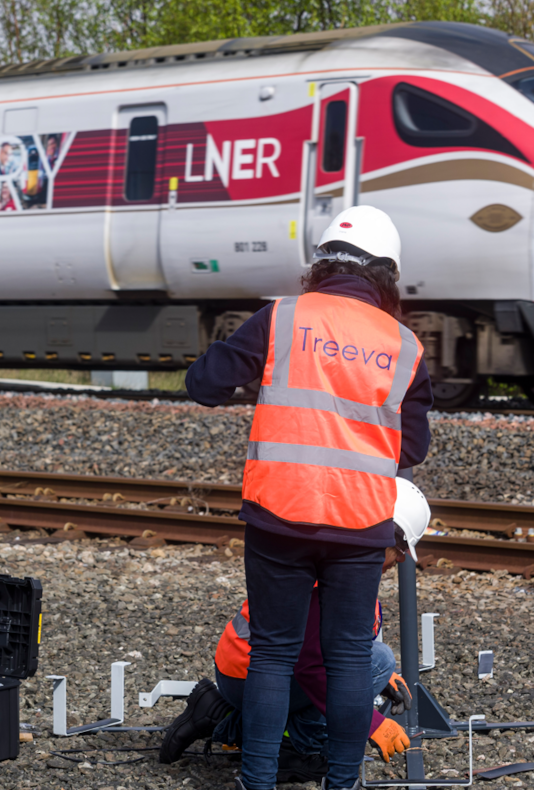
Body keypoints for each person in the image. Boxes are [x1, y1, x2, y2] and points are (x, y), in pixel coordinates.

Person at [184, 205, 433, 790]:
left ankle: (258, 781)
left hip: (278, 515)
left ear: (320, 264)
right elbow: (413, 448)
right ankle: (342, 784)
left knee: (273, 653)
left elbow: (204, 384)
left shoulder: (282, 318)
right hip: (361, 522)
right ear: (387, 275)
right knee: (348, 658)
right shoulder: (403, 345)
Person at [159, 549, 414, 783]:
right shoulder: (330, 581)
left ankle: (219, 712)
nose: (401, 559)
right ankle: (292, 749)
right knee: (379, 659)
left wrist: (380, 674)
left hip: (241, 669)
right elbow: (311, 669)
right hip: (255, 678)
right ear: (381, 539)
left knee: (378, 663)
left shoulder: (332, 558)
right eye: (400, 548)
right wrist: (368, 721)